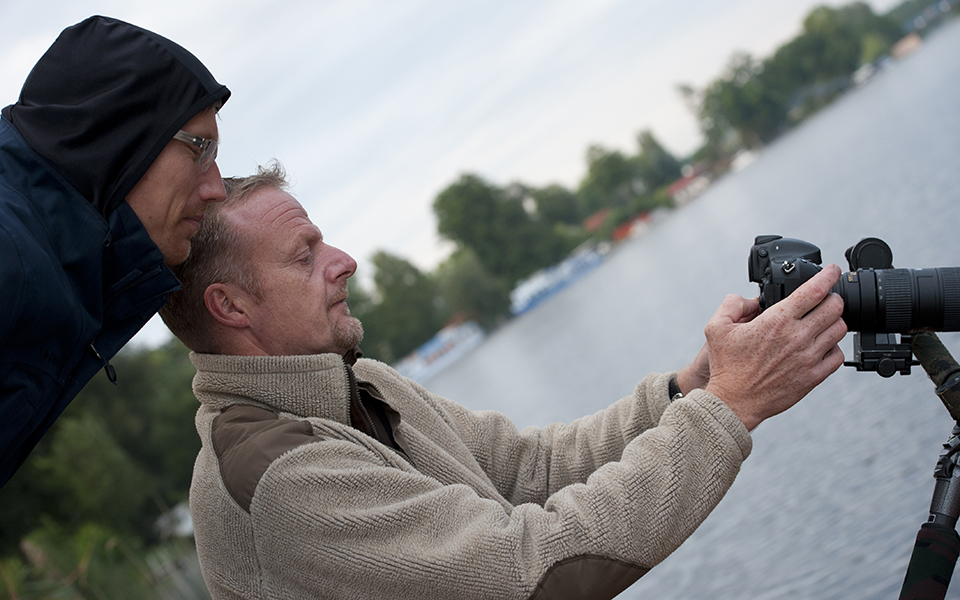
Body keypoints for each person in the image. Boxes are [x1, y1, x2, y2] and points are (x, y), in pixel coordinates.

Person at [160, 163, 847, 600]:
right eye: (305, 257)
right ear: (232, 306)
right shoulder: (275, 473)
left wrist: (688, 390)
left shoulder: (362, 385)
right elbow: (531, 573)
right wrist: (730, 408)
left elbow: (532, 468)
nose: (345, 263)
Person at [0, 15, 230, 487]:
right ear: (120, 137)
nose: (216, 187)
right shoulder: (11, 252)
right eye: (200, 149)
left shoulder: (52, 264)